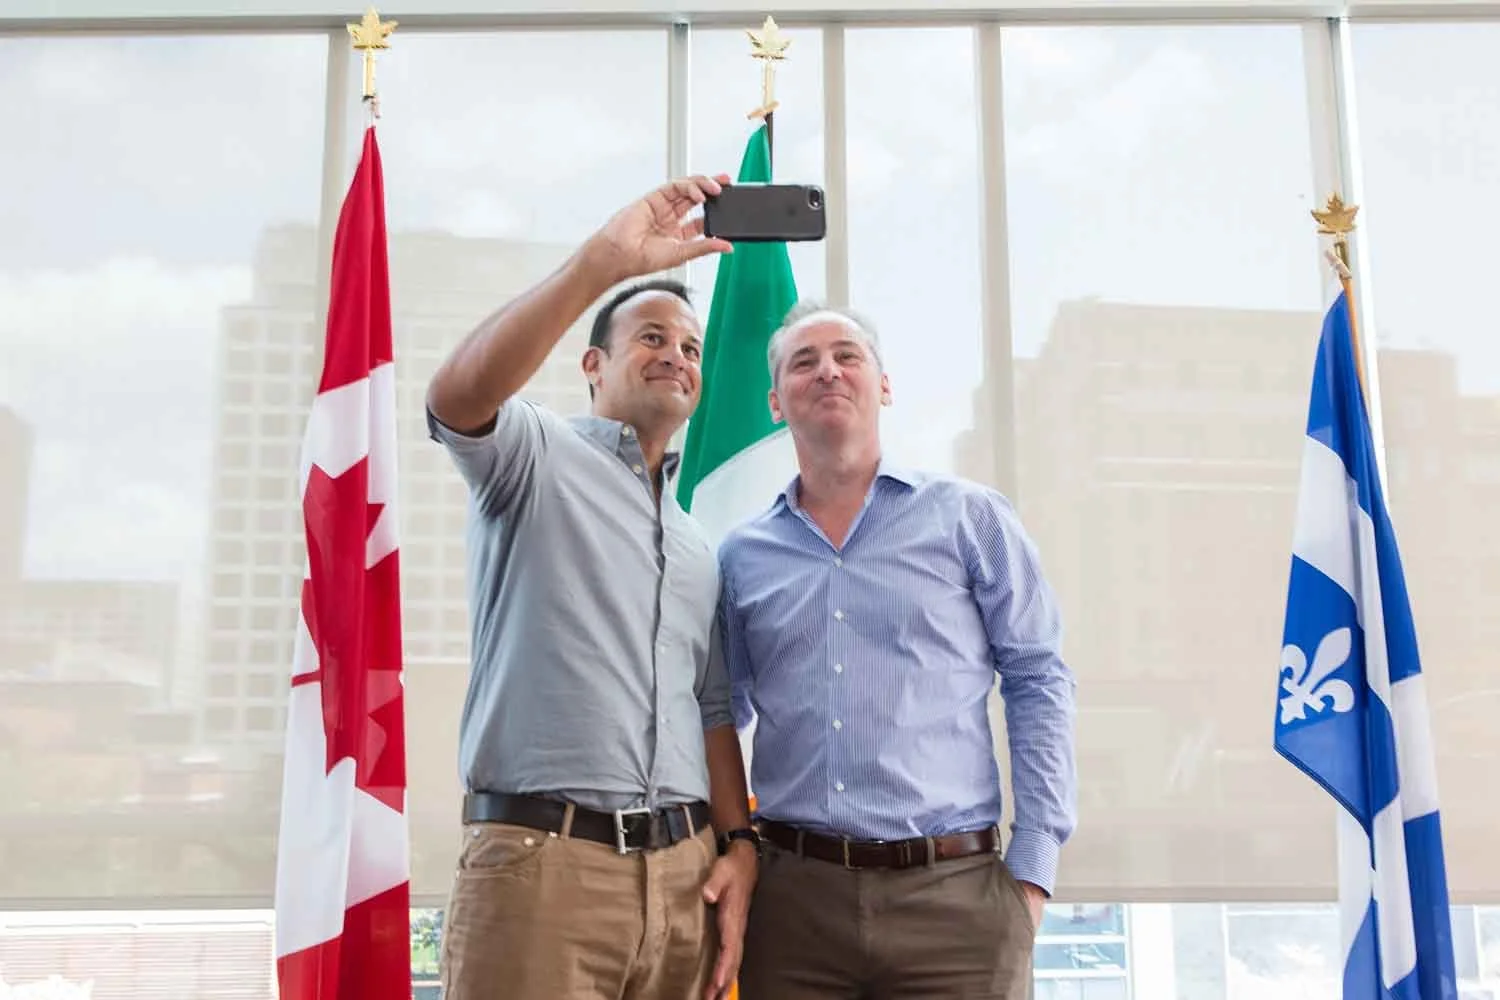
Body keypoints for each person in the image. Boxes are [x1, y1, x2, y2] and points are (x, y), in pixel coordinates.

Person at [426, 175, 758, 1000]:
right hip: (546, 872)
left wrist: (739, 844)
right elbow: (455, 400)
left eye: (689, 349)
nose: (676, 357)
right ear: (594, 363)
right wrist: (599, 267)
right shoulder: (533, 456)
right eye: (652, 337)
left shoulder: (695, 545)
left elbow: (711, 711)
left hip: (683, 881)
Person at [717, 301, 1079, 1000]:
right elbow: (717, 715)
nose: (828, 370)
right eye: (804, 361)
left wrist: (1032, 873)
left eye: (847, 356)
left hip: (958, 903)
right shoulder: (741, 556)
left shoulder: (970, 518)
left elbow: (1038, 679)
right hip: (793, 909)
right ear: (774, 401)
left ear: (883, 384)